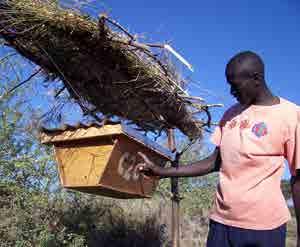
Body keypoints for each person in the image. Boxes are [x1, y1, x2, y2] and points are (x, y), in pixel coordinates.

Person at [136, 51, 300, 247]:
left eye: (235, 85)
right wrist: (162, 172)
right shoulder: (231, 114)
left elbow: (298, 178)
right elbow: (215, 161)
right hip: (221, 223)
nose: (231, 92)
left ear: (256, 78)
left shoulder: (290, 116)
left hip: (262, 229)